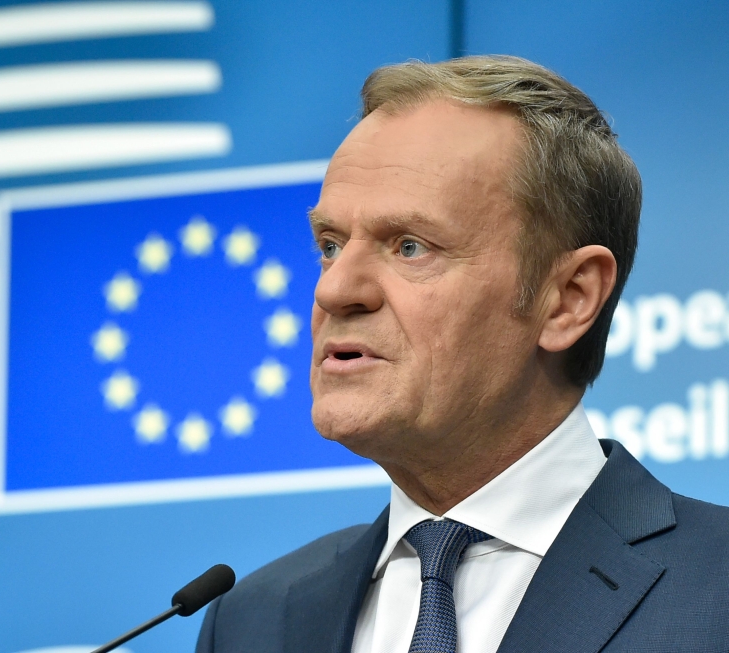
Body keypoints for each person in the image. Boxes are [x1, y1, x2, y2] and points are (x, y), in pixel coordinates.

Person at [195, 55, 729, 653]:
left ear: (567, 300)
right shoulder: (251, 622)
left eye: (410, 246)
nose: (334, 290)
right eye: (330, 244)